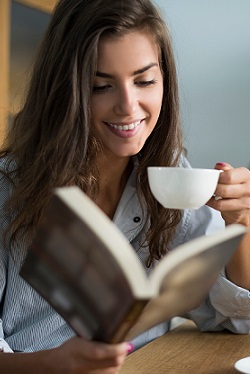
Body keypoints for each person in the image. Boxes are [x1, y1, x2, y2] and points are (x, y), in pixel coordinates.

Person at [0, 0, 250, 372]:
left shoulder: (171, 179)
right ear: (65, 91)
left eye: (145, 81)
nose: (128, 107)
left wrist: (241, 223)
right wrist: (54, 363)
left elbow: (235, 319)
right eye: (101, 86)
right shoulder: (9, 189)